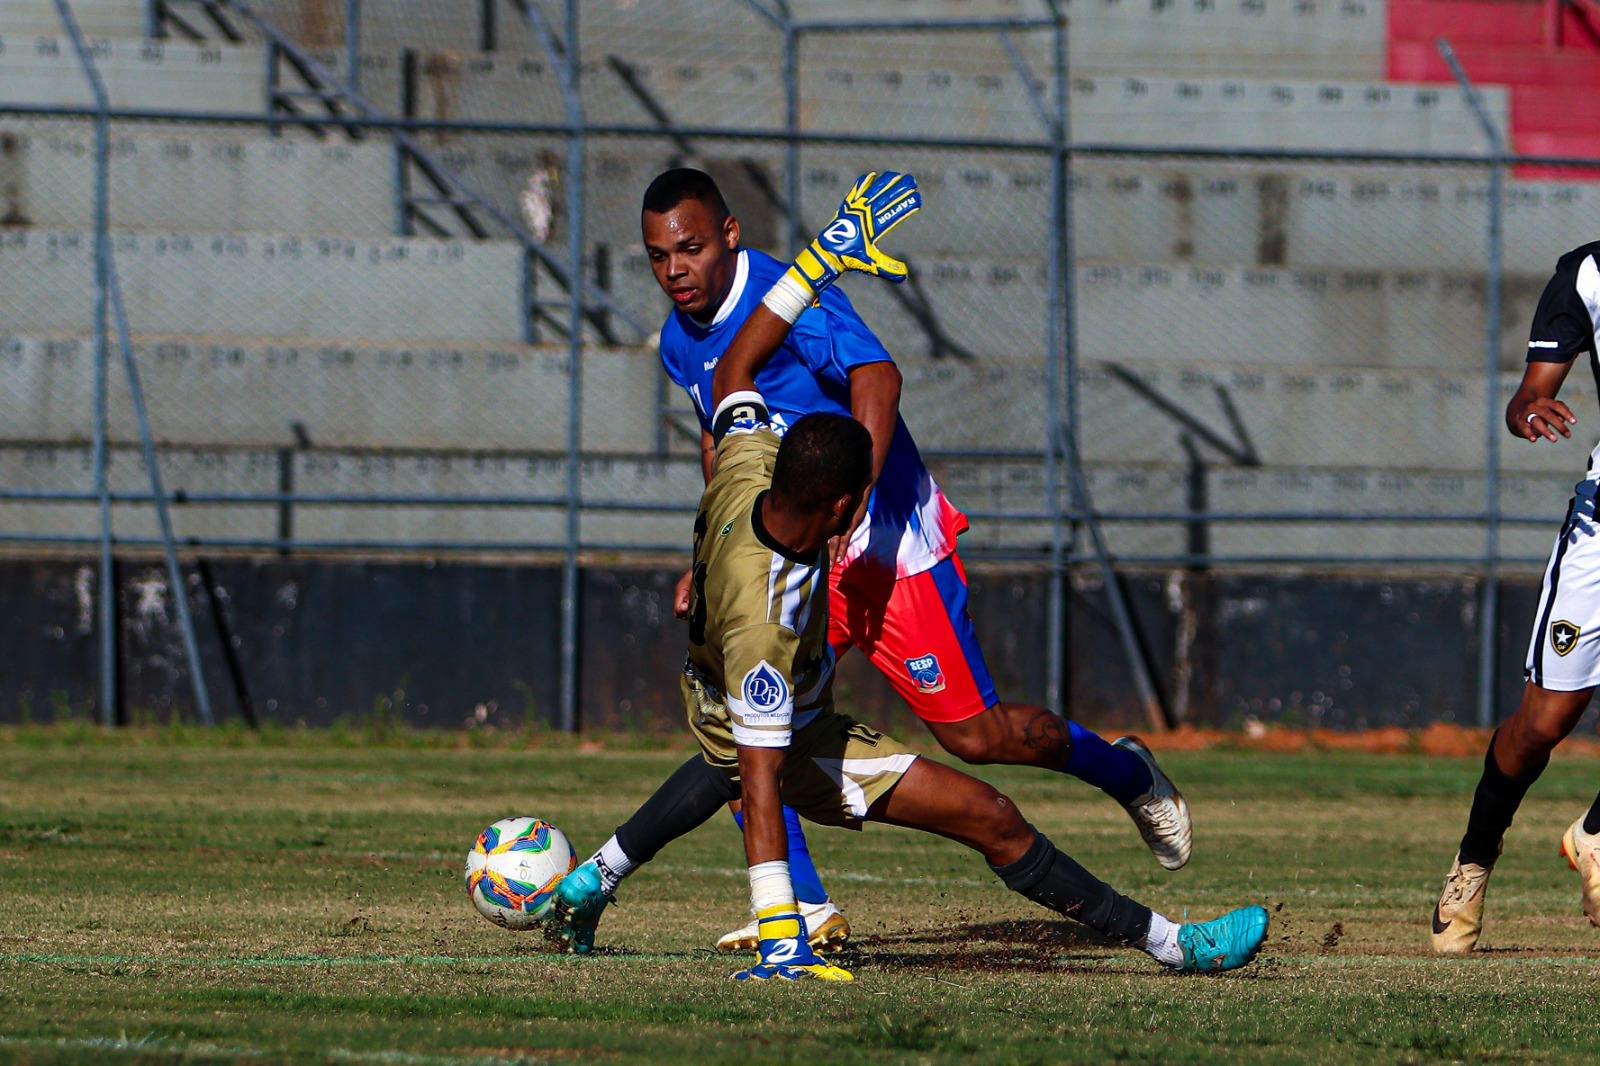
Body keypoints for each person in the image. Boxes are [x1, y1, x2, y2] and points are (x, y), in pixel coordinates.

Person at [642, 166, 1192, 954]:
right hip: (799, 554)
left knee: (977, 736)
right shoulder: (676, 339)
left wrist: (858, 495)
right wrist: (720, 545)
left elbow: (878, 373)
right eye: (658, 257)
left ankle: (1126, 773)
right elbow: (719, 440)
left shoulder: (779, 300)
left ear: (730, 233)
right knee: (748, 725)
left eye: (689, 249)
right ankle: (804, 906)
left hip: (887, 540)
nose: (675, 272)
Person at [550, 388, 1269, 980]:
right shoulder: (765, 628)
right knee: (991, 815)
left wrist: (816, 265)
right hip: (794, 738)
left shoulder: (745, 466)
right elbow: (762, 780)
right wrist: (780, 937)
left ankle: (595, 877)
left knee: (725, 757)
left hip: (722, 695)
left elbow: (733, 394)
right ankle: (1175, 945)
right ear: (840, 509)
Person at [1432, 239, 1600, 954]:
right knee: (1543, 723)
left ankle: (1596, 834)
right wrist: (1530, 407)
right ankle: (1472, 861)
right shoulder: (1589, 273)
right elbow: (1530, 394)